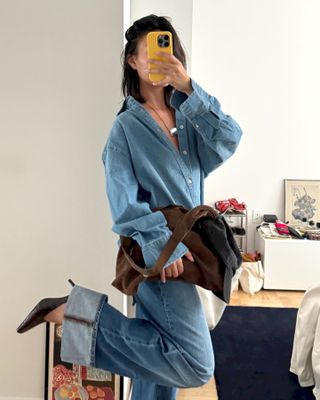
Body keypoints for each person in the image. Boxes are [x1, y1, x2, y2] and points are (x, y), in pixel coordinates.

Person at [17, 14, 243, 400]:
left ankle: (76, 314)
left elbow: (228, 139)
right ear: (132, 61)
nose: (159, 59)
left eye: (167, 50)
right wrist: (161, 246)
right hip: (165, 258)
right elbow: (124, 203)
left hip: (194, 253)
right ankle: (74, 313)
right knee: (195, 363)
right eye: (150, 52)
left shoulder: (188, 117)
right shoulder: (124, 130)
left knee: (157, 375)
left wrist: (188, 88)